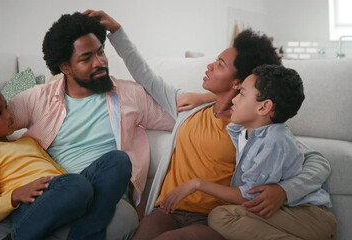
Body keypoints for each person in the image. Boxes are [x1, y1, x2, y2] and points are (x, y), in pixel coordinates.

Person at [85, 10, 332, 240]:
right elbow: (145, 75)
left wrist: (284, 191)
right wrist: (116, 32)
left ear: (238, 82)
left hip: (212, 219)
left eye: (220, 65)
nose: (209, 66)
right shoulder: (188, 106)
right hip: (168, 210)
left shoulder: (253, 127)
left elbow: (316, 161)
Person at [0, 12, 175, 240]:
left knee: (120, 174)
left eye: (101, 52)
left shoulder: (131, 94)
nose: (100, 62)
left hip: (100, 193)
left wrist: (203, 99)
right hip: (53, 193)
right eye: (86, 58)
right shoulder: (40, 97)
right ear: (65, 67)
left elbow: (177, 116)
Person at [0, 58, 108, 239]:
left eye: (6, 106)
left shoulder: (28, 141)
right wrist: (15, 195)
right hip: (29, 203)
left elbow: (58, 172)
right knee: (78, 185)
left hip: (58, 189)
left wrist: (71, 184)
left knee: (116, 160)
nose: (9, 114)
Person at [174, 64, 336, 239]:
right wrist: (204, 98)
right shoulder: (241, 131)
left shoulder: (276, 140)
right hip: (289, 215)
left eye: (242, 94)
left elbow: (251, 196)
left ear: (263, 107)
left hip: (308, 217)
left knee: (221, 216)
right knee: (222, 216)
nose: (234, 99)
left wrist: (198, 184)